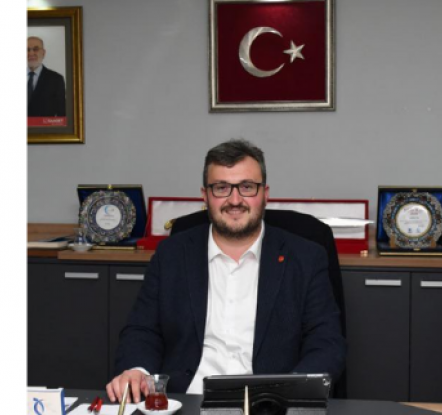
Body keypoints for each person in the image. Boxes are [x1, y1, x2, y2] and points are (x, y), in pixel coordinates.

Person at [106, 139, 346, 403]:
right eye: (221, 188)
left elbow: (326, 343)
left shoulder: (305, 257)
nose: (235, 200)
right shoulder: (171, 254)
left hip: (270, 403)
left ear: (265, 193)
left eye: (247, 187)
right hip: (187, 401)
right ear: (205, 195)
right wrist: (137, 371)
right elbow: (142, 330)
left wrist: (289, 394)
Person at [27, 36, 66, 117]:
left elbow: (61, 114)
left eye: (36, 49)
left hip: (45, 125)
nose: (31, 53)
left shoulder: (56, 80)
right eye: (27, 50)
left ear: (43, 53)